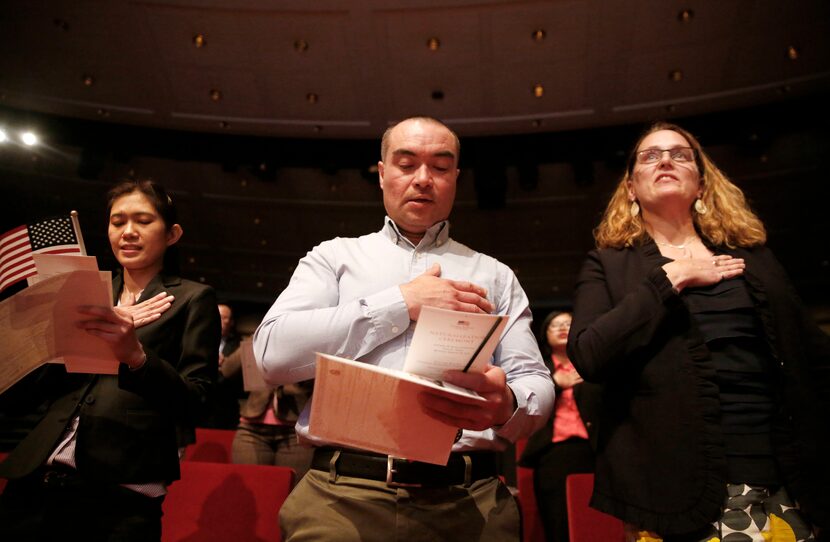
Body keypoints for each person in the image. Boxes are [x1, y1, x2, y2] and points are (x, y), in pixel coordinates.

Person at [254, 116, 555, 541]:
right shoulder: (334, 258)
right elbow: (271, 356)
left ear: (455, 178)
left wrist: (507, 404)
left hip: (471, 502)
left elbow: (537, 383)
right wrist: (402, 302)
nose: (423, 179)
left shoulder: (495, 275)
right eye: (406, 163)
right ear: (382, 174)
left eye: (440, 166)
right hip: (340, 499)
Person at [567, 121, 829, 541]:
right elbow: (589, 353)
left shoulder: (755, 257)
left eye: (680, 154)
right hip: (674, 491)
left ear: (702, 185)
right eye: (650, 156)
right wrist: (673, 277)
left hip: (785, 479)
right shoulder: (609, 264)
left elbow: (811, 356)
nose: (666, 160)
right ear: (631, 188)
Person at [0, 179, 220, 541]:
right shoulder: (83, 292)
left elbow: (195, 400)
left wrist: (135, 356)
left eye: (143, 221)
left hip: (120, 488)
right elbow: (24, 396)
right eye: (118, 222)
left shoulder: (192, 299)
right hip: (37, 477)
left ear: (172, 233)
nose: (128, 232)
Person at [519, 311, 600, 541]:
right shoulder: (537, 369)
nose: (563, 327)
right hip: (552, 454)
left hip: (592, 452)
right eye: (555, 325)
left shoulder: (593, 366)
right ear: (545, 335)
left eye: (568, 323)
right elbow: (523, 401)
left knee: (594, 522)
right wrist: (555, 383)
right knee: (557, 522)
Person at [221, 341, 313, 479]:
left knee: (288, 495)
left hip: (294, 432)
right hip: (251, 429)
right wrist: (257, 337)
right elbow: (227, 370)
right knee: (249, 493)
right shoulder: (261, 337)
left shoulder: (310, 338)